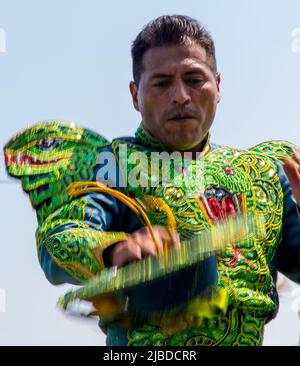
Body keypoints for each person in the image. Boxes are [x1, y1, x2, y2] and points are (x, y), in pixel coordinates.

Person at [4, 15, 300, 346]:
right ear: (135, 95)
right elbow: (58, 240)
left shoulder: (266, 171)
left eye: (194, 79)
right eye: (161, 83)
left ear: (218, 86)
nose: (180, 96)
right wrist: (116, 249)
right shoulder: (111, 163)